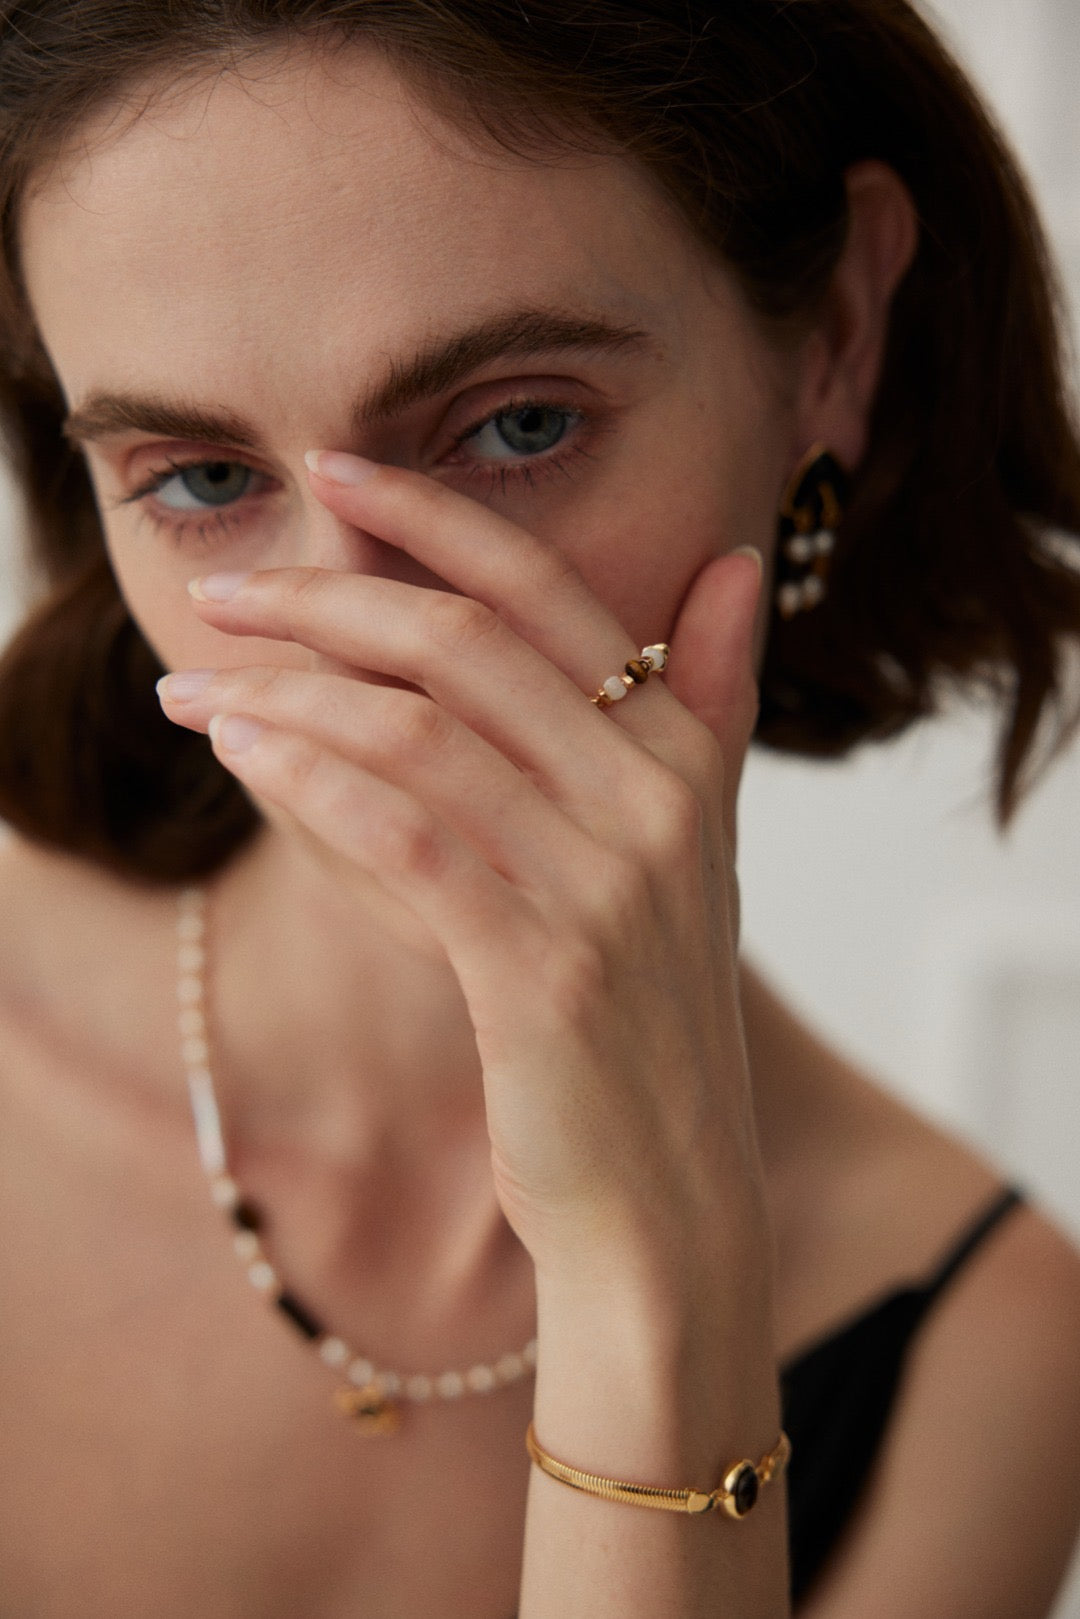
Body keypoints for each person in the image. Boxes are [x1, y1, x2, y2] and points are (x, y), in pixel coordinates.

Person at [0, 1, 1078, 1613]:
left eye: (518, 426)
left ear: (835, 335)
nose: (370, 636)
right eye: (207, 481)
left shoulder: (977, 1352)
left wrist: (651, 1260)